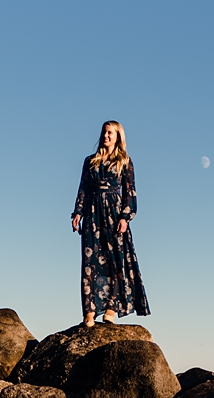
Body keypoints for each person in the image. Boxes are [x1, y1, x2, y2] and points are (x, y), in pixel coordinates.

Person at [71, 121, 149, 327]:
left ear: (117, 137)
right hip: (92, 214)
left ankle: (110, 309)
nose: (106, 136)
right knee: (90, 263)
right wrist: (77, 212)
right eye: (104, 132)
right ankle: (89, 312)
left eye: (110, 133)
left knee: (115, 262)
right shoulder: (90, 161)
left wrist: (125, 217)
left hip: (114, 215)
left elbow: (130, 193)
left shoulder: (125, 161)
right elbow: (83, 190)